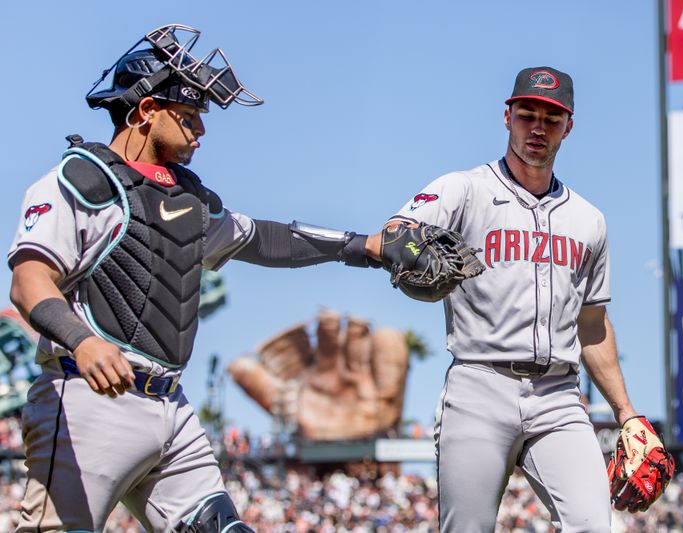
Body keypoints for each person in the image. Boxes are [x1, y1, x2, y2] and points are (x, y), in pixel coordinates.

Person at [7, 24, 400, 533]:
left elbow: (263, 238)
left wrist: (364, 246)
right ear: (146, 111)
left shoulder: (187, 201)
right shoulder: (80, 181)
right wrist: (81, 342)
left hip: (170, 404)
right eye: (189, 115)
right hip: (87, 400)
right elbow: (29, 280)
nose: (202, 130)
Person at [389, 67, 643, 532]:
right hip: (480, 385)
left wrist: (626, 413)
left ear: (569, 126)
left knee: (594, 525)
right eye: (527, 115)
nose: (538, 129)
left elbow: (592, 324)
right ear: (507, 117)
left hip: (559, 395)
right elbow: (395, 233)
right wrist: (406, 249)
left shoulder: (589, 220)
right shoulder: (464, 190)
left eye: (551, 119)